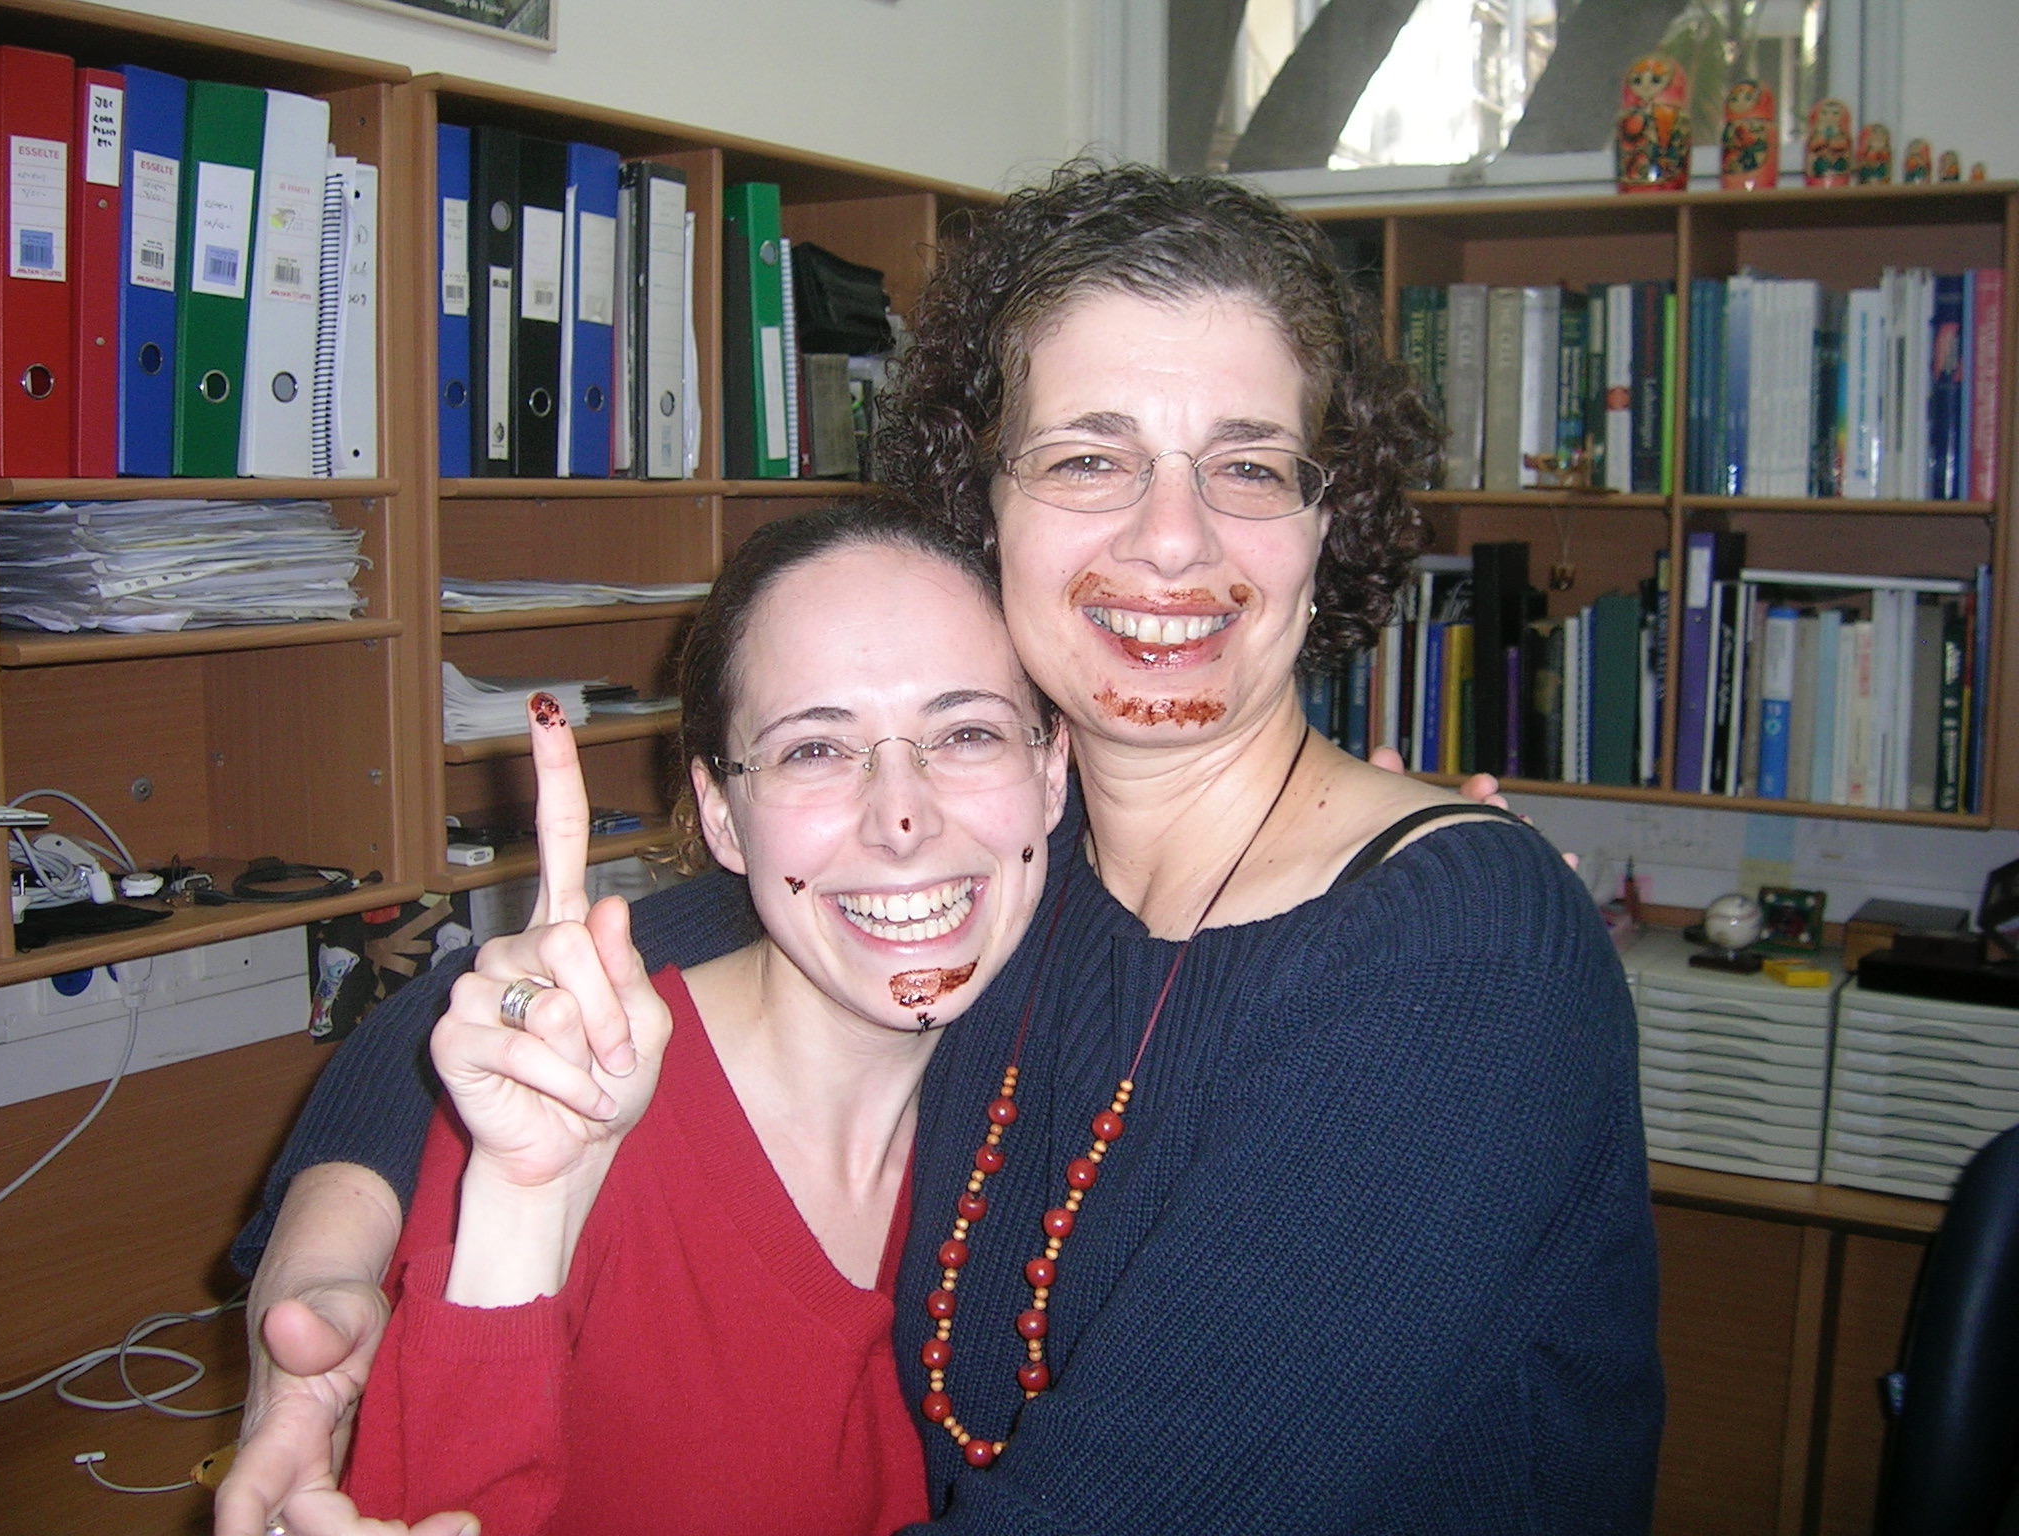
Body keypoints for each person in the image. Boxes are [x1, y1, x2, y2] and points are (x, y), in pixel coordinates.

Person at [219, 160, 1660, 1536]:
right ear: (986, 515)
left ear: (1325, 518)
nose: (1173, 539)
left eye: (1249, 465)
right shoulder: (1023, 871)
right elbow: (495, 1012)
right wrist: (325, 1280)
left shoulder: (1454, 953)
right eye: (1089, 457)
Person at [340, 504, 1067, 1534]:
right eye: (815, 750)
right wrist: (523, 1210)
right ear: (722, 815)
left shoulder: (1072, 1119)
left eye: (967, 733)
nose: (901, 819)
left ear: (1051, 773)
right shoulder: (565, 1097)